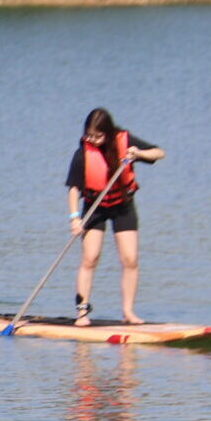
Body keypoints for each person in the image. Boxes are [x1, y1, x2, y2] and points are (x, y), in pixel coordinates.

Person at [64, 107, 165, 326]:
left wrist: (138, 154)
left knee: (130, 259)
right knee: (90, 258)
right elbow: (73, 188)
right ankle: (81, 313)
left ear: (108, 132)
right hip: (95, 207)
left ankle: (128, 312)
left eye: (98, 135)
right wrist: (74, 218)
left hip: (122, 206)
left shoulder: (124, 140)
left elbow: (159, 153)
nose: (93, 139)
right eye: (89, 135)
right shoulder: (82, 153)